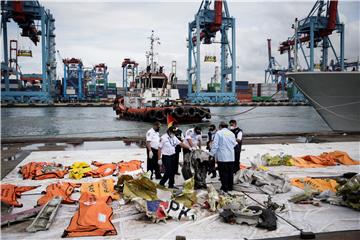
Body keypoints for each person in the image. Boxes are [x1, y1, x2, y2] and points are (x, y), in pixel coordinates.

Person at [210, 122, 237, 192]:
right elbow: (234, 144)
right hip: (231, 156)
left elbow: (215, 145)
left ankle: (225, 187)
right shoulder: (232, 133)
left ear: (220, 126)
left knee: (223, 173)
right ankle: (230, 187)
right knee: (230, 173)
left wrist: (211, 154)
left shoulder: (219, 133)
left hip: (222, 157)